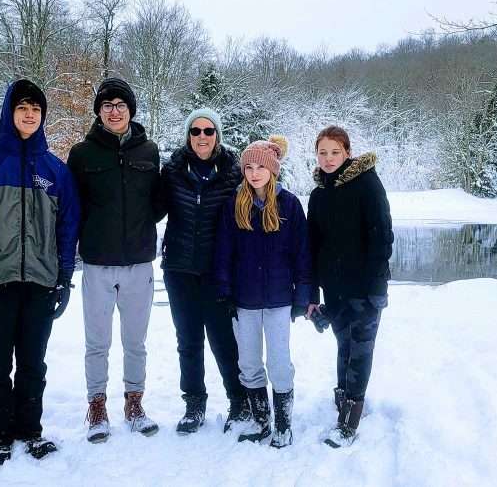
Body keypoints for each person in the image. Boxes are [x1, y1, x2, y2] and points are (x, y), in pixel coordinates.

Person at [0, 79, 80, 468]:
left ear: (42, 117)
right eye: (22, 107)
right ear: (9, 112)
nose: (29, 114)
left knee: (33, 364)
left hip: (41, 284)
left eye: (36, 109)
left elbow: (68, 227)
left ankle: (30, 430)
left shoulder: (55, 171)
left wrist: (63, 278)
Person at [67, 77, 164, 443]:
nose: (114, 110)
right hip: (97, 263)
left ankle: (134, 402)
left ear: (130, 110)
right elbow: (73, 207)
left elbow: (158, 201)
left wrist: (138, 226)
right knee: (97, 341)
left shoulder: (149, 151)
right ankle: (96, 405)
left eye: (120, 104)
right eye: (106, 105)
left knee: (135, 341)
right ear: (99, 112)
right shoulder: (82, 154)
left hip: (139, 263)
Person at [212, 136, 314, 448]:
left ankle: (283, 425)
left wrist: (304, 295)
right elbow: (223, 252)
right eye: (249, 167)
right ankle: (261, 421)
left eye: (261, 167)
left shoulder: (290, 204)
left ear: (273, 170)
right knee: (249, 363)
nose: (255, 173)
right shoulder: (235, 204)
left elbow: (302, 254)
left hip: (279, 300)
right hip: (245, 300)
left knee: (279, 362)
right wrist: (225, 291)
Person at [159, 108, 248, 434]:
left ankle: (238, 401)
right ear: (188, 135)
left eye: (208, 131)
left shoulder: (232, 172)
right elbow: (151, 207)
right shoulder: (171, 171)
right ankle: (194, 404)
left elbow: (253, 210)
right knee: (189, 340)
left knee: (224, 340)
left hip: (218, 270)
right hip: (179, 268)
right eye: (195, 131)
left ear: (217, 135)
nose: (201, 137)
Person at [306, 125, 393, 448]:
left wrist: (377, 287)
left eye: (335, 152)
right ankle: (343, 397)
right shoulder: (318, 195)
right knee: (344, 345)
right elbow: (311, 247)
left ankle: (350, 419)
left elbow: (382, 237)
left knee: (361, 349)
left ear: (347, 153)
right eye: (322, 152)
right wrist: (312, 295)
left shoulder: (367, 184)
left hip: (365, 287)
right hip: (334, 288)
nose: (328, 159)